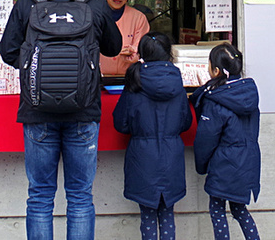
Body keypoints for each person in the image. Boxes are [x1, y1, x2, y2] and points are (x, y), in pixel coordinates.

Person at [0, 0, 122, 240]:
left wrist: (34, 68)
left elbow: (8, 50)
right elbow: (114, 47)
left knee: (40, 196)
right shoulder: (92, 1)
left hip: (37, 110)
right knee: (80, 197)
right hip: (83, 110)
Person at [112, 32, 192, 240]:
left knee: (147, 217)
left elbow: (121, 123)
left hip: (142, 159)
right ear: (169, 54)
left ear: (142, 54)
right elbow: (186, 122)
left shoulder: (134, 84)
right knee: (167, 215)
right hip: (171, 156)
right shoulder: (178, 84)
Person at [191, 43, 261, 240]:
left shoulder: (216, 99)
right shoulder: (248, 92)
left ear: (216, 70)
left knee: (217, 209)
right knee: (239, 209)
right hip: (248, 160)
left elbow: (206, 139)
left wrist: (201, 166)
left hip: (225, 163)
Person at [98, 0, 151, 77]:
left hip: (130, 78)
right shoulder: (95, 15)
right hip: (99, 77)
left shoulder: (139, 18)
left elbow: (142, 49)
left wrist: (133, 52)